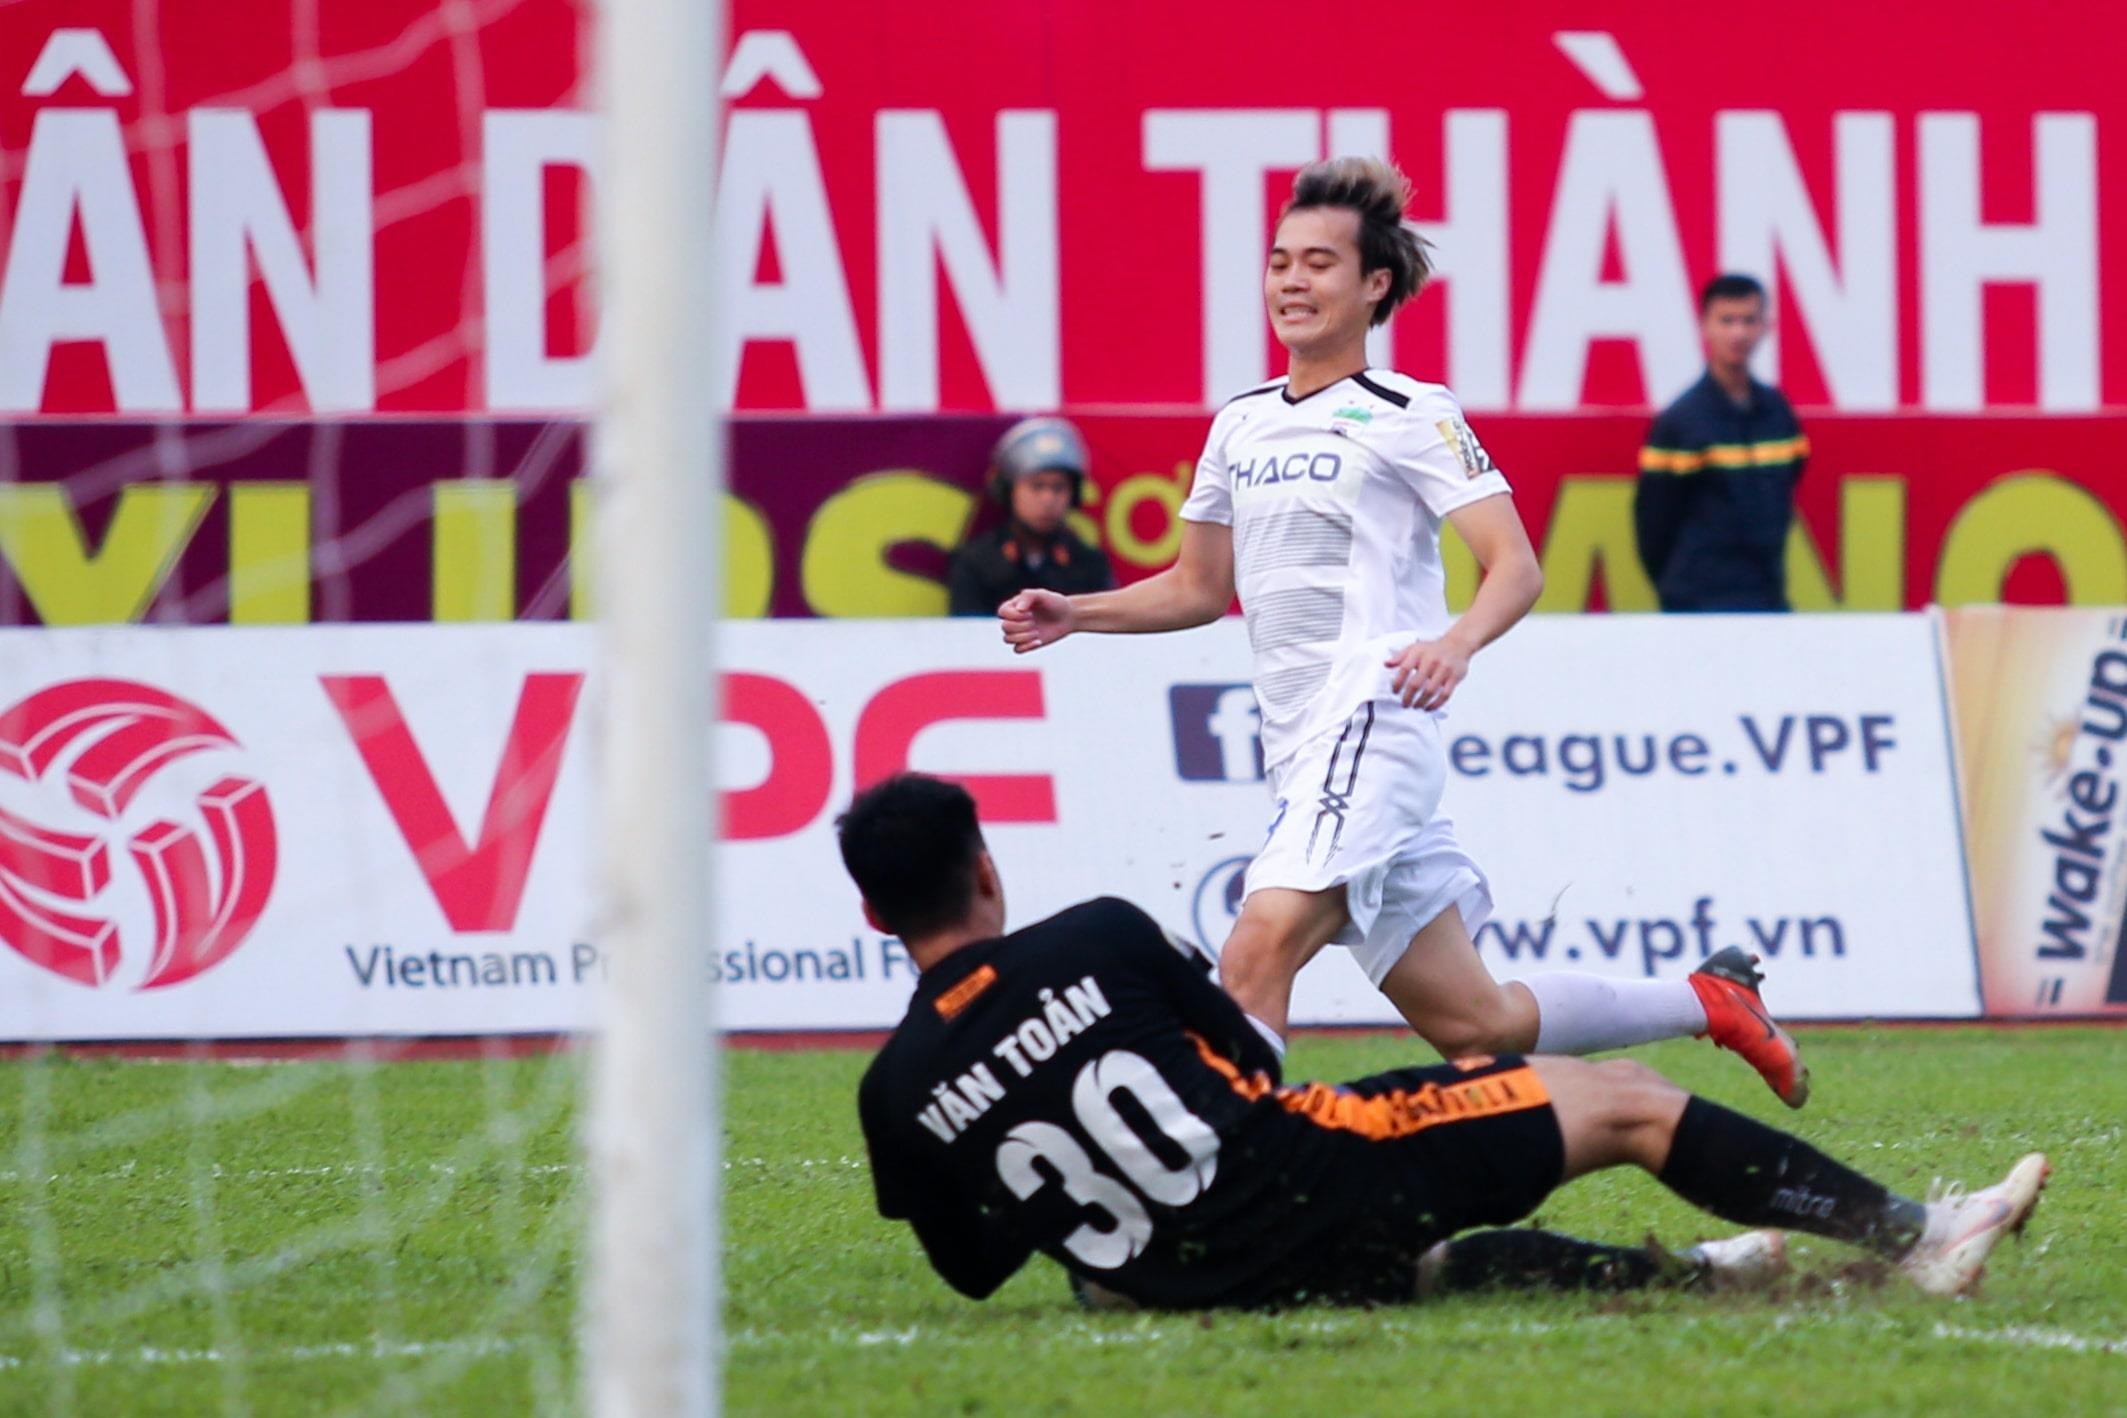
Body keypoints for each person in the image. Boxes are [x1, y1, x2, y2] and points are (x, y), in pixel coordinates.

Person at [996, 157, 1809, 1110]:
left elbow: (1515, 565)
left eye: (1318, 264)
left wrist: (1454, 642)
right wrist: (1077, 613)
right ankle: (1707, 999)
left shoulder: (1413, 415)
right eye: (1277, 262)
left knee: (1256, 946)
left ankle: (1222, 1186)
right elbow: (1196, 587)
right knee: (1478, 1023)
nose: (1291, 282)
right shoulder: (1239, 425)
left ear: (1375, 283)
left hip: (1376, 726)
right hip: (1302, 750)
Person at [842, 774, 2049, 1310]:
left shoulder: (892, 1089)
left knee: (1423, 1266)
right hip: (1310, 1175)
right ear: (987, 867)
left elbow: (976, 1265)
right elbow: (1252, 1069)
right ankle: (1926, 1235)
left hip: (1171, 1276)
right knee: (1626, 1100)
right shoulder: (1094, 934)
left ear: (871, 910)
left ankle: (1710, 1274)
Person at [1635, 273, 1810, 612]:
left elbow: (1789, 485)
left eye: (1748, 320)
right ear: (1705, 326)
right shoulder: (1681, 422)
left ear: (1766, 326)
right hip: (1696, 602)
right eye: (1726, 320)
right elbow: (1652, 524)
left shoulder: (1777, 413)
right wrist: (1678, 587)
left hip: (1767, 596)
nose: (1738, 333)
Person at [947, 416, 1116, 615]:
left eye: (1058, 488)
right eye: (1037, 486)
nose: (1048, 499)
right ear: (1009, 491)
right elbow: (966, 633)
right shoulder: (976, 562)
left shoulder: (1088, 563)